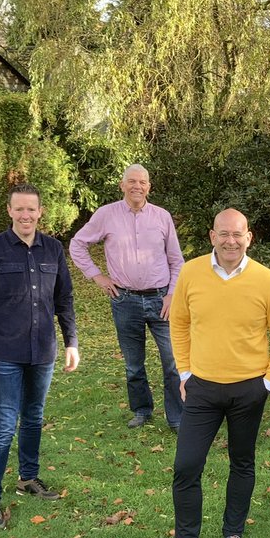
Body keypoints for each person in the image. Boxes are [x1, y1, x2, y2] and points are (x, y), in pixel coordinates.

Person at [161, 209, 270, 538]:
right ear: (212, 236)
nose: (231, 241)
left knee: (242, 463)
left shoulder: (266, 280)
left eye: (238, 234)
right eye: (224, 234)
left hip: (248, 390)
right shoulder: (191, 273)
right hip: (202, 388)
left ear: (249, 237)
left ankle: (233, 533)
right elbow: (179, 323)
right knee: (186, 466)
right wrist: (185, 372)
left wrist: (269, 382)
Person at [0, 184, 79, 528]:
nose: (26, 215)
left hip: (42, 351)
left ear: (40, 212)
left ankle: (28, 478)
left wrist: (71, 342)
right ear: (9, 211)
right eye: (20, 209)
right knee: (4, 426)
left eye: (31, 209)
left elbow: (64, 299)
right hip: (4, 353)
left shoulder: (53, 249)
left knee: (33, 417)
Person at [69, 163, 184, 430]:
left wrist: (172, 295)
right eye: (132, 181)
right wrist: (97, 276)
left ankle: (177, 417)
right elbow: (78, 244)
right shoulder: (106, 215)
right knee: (133, 364)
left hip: (161, 300)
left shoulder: (162, 217)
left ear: (149, 187)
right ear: (122, 185)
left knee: (173, 362)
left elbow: (176, 260)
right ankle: (142, 411)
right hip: (125, 300)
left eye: (142, 182)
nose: (137, 186)